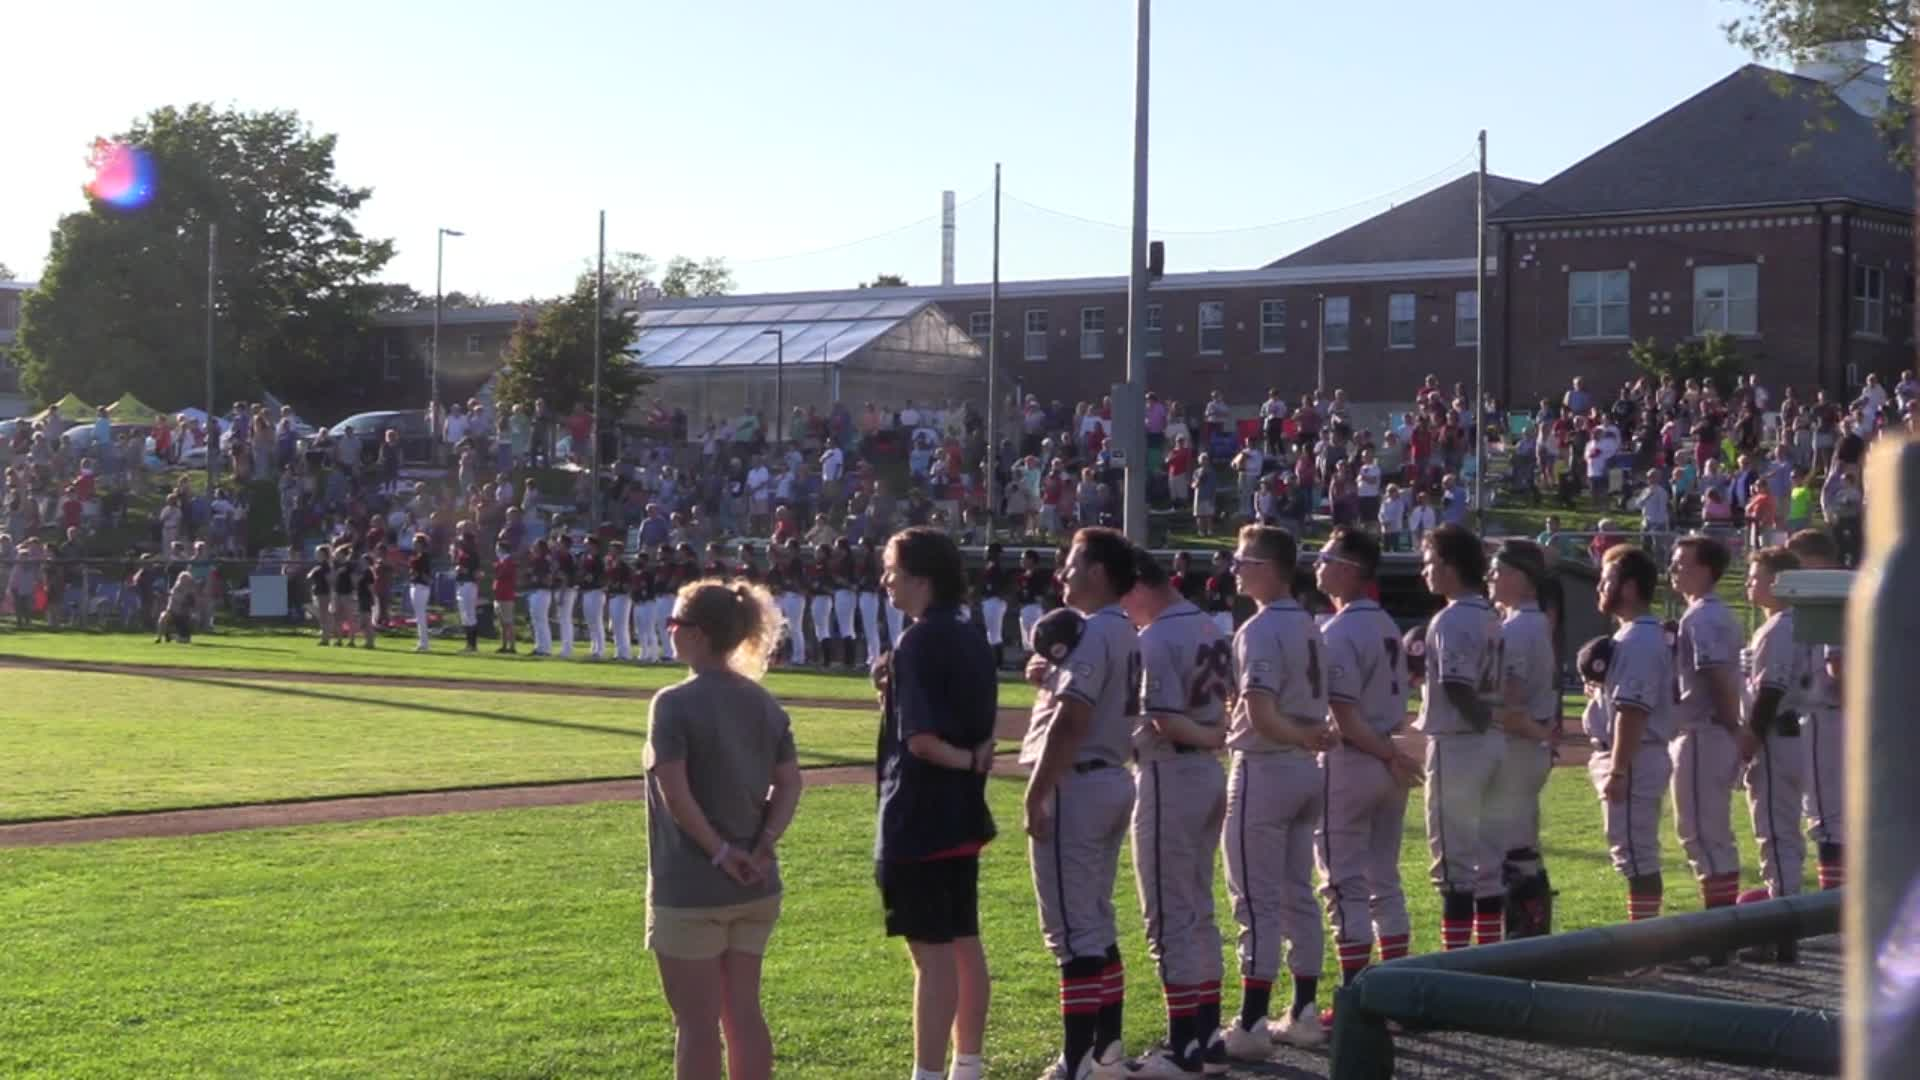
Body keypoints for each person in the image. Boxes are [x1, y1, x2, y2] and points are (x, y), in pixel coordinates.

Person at [644, 578, 803, 1080]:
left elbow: (676, 792)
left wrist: (719, 853)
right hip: (756, 885)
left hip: (692, 888)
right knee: (744, 1016)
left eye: (676, 623)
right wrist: (761, 847)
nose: (670, 631)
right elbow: (791, 786)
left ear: (698, 633)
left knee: (695, 1024)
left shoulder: (673, 702)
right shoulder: (764, 702)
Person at [874, 527, 998, 1080]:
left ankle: (928, 1071)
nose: (887, 581)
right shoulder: (970, 634)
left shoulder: (918, 639)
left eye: (894, 571)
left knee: (933, 953)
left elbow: (923, 740)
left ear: (922, 579)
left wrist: (966, 760)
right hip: (962, 810)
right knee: (964, 940)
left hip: (921, 810)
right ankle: (966, 1063)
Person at [1017, 527, 1140, 1080]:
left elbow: (1072, 720)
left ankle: (1076, 1061)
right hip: (1112, 776)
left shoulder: (1094, 631)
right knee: (1095, 921)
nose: (1063, 574)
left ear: (1097, 572)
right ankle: (1107, 1049)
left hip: (1080, 783)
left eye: (1072, 566)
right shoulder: (1125, 630)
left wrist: (1036, 791)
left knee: (1073, 932)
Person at [1222, 524, 1333, 1052]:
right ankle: (1305, 1010)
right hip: (1305, 769)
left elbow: (1263, 716)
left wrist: (1299, 734)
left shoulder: (1260, 629)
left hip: (1268, 765)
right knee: (1296, 895)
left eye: (1245, 561)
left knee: (1256, 899)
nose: (1237, 569)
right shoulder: (1311, 625)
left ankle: (1249, 1024)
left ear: (1270, 567)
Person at [1120, 549, 1231, 1076]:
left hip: (1170, 772)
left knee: (1168, 913)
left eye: (1125, 592)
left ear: (1141, 586)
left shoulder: (1158, 635)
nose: (1123, 605)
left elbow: (1163, 718)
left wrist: (1206, 735)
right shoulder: (1208, 623)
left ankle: (1182, 1046)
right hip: (1206, 773)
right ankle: (1206, 1034)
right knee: (1198, 906)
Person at [1311, 527, 1418, 1006]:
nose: (1319, 563)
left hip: (1356, 758)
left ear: (1351, 570)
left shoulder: (1340, 629)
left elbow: (1345, 716)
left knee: (1343, 881)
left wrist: (1385, 753)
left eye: (1327, 556)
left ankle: (1355, 998)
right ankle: (1396, 991)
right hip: (1386, 755)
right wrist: (1392, 754)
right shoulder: (1385, 623)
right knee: (1383, 879)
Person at [1414, 523, 1506, 950]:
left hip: (1459, 741)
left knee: (1454, 865)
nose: (1425, 572)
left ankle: (1456, 966)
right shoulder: (1491, 613)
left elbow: (1456, 684)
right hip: (1490, 744)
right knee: (1487, 863)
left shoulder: (1451, 618)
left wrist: (1479, 724)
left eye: (1430, 562)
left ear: (1450, 566)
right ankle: (1488, 958)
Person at [1583, 544, 1675, 923]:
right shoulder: (1634, 636)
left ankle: (1645, 949)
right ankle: (1645, 945)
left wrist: (1619, 770)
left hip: (1633, 756)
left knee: (1636, 855)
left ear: (1631, 588)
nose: (1600, 589)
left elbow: (1632, 711)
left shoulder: (1637, 638)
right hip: (1634, 754)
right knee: (1633, 853)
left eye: (1608, 581)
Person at [1665, 536, 1747, 935]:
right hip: (1712, 732)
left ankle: (1718, 935)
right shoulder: (1713, 613)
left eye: (1682, 564)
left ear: (1706, 570)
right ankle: (1721, 931)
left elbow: (1716, 677)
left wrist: (1735, 728)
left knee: (1702, 832)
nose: (1674, 570)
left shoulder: (1702, 617)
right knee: (1710, 832)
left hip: (1705, 733)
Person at [1485, 540, 1560, 940]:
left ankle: (1523, 943)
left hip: (1516, 747)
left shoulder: (1516, 627)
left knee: (1510, 851)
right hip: (1529, 746)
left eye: (1498, 571)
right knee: (1522, 847)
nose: (1490, 578)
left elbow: (1510, 703)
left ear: (1521, 577)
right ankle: (1532, 939)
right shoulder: (1531, 622)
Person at [1742, 546, 1811, 965]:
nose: (1750, 582)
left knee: (1776, 836)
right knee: (1785, 835)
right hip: (1796, 736)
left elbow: (1771, 689)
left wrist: (1750, 735)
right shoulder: (1795, 623)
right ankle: (1784, 930)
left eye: (1756, 575)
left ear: (1780, 582)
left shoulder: (1779, 628)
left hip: (1776, 737)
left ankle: (1783, 937)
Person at [1785, 529, 1846, 892]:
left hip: (1830, 714)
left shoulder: (1831, 594)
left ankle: (1832, 910)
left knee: (1828, 818)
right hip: (1841, 715)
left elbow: (1839, 666)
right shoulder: (1843, 592)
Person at [977, 543, 1010, 666]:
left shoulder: (995, 568)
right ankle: (995, 661)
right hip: (990, 601)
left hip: (994, 601)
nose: (985, 554)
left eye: (988, 551)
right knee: (992, 633)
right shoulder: (990, 567)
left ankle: (998, 662)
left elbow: (998, 587)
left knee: (994, 633)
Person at [578, 535, 608, 660]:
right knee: (590, 622)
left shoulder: (599, 560)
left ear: (594, 545)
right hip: (587, 591)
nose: (585, 546)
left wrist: (595, 579)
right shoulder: (586, 558)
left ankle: (600, 649)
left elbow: (602, 576)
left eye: (587, 544)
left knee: (596, 621)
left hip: (596, 591)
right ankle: (594, 647)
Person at [453, 530, 482, 654]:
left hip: (469, 584)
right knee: (464, 616)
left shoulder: (473, 554)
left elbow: (476, 573)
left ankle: (472, 645)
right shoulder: (461, 553)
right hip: (461, 584)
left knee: (470, 614)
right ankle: (468, 644)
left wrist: (465, 571)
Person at [525, 538, 554, 657]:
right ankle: (539, 647)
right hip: (535, 591)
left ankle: (545, 649)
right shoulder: (535, 560)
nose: (533, 548)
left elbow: (548, 579)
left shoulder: (543, 560)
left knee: (541, 621)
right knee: (536, 621)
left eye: (536, 546)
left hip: (542, 591)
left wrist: (538, 578)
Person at [553, 532, 579, 659]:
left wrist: (562, 594)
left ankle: (567, 649)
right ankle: (566, 647)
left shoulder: (565, 557)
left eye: (559, 541)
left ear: (564, 544)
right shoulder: (566, 556)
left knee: (565, 620)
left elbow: (565, 577)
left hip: (566, 590)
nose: (557, 544)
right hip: (566, 589)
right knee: (564, 619)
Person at [607, 541, 633, 662]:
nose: (611, 551)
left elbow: (628, 582)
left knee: (621, 625)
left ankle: (625, 653)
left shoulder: (624, 565)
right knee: (616, 626)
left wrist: (622, 586)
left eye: (613, 549)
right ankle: (619, 652)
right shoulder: (611, 564)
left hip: (622, 596)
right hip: (613, 596)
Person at [409, 533, 433, 652]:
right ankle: (422, 642)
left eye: (415, 542)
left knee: (421, 616)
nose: (414, 544)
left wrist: (416, 573)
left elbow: (424, 574)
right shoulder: (418, 556)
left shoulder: (423, 557)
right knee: (419, 616)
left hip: (420, 587)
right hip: (416, 585)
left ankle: (424, 643)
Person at [493, 540, 518, 655]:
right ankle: (504, 645)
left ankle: (512, 646)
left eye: (498, 549)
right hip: (499, 594)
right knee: (502, 622)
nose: (496, 551)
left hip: (506, 595)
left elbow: (503, 575)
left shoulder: (509, 562)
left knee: (508, 621)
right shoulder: (501, 561)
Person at [160, 570, 197, 643]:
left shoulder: (190, 592)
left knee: (186, 640)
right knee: (164, 617)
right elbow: (179, 601)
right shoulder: (176, 590)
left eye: (187, 580)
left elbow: (193, 605)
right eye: (183, 580)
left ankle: (172, 636)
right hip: (174, 614)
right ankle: (165, 635)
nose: (185, 582)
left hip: (184, 617)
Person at [308, 548, 335, 646]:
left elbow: (330, 580)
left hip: (324, 592)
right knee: (322, 615)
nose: (316, 555)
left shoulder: (325, 566)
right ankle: (325, 637)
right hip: (319, 592)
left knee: (324, 615)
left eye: (318, 553)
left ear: (324, 554)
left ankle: (325, 638)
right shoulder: (319, 566)